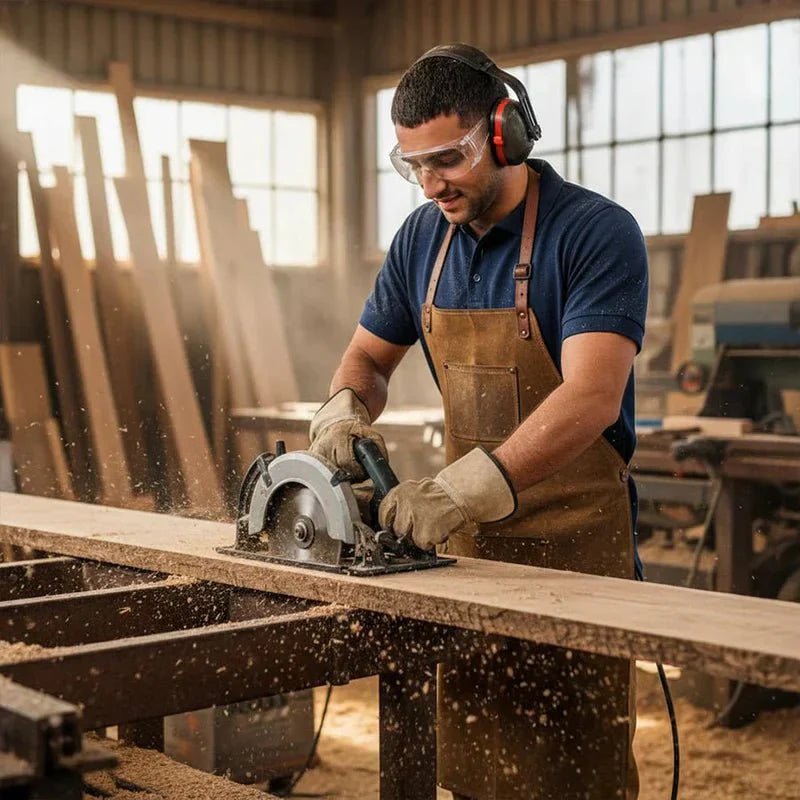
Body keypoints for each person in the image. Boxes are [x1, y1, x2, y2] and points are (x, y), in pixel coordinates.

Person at [309, 43, 647, 800]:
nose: (431, 185)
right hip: (463, 550)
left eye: (447, 160)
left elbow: (591, 397)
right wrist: (344, 406)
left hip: (575, 553)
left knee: (572, 772)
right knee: (474, 764)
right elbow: (367, 356)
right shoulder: (420, 241)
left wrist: (462, 488)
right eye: (411, 165)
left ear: (505, 132)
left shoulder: (595, 233)